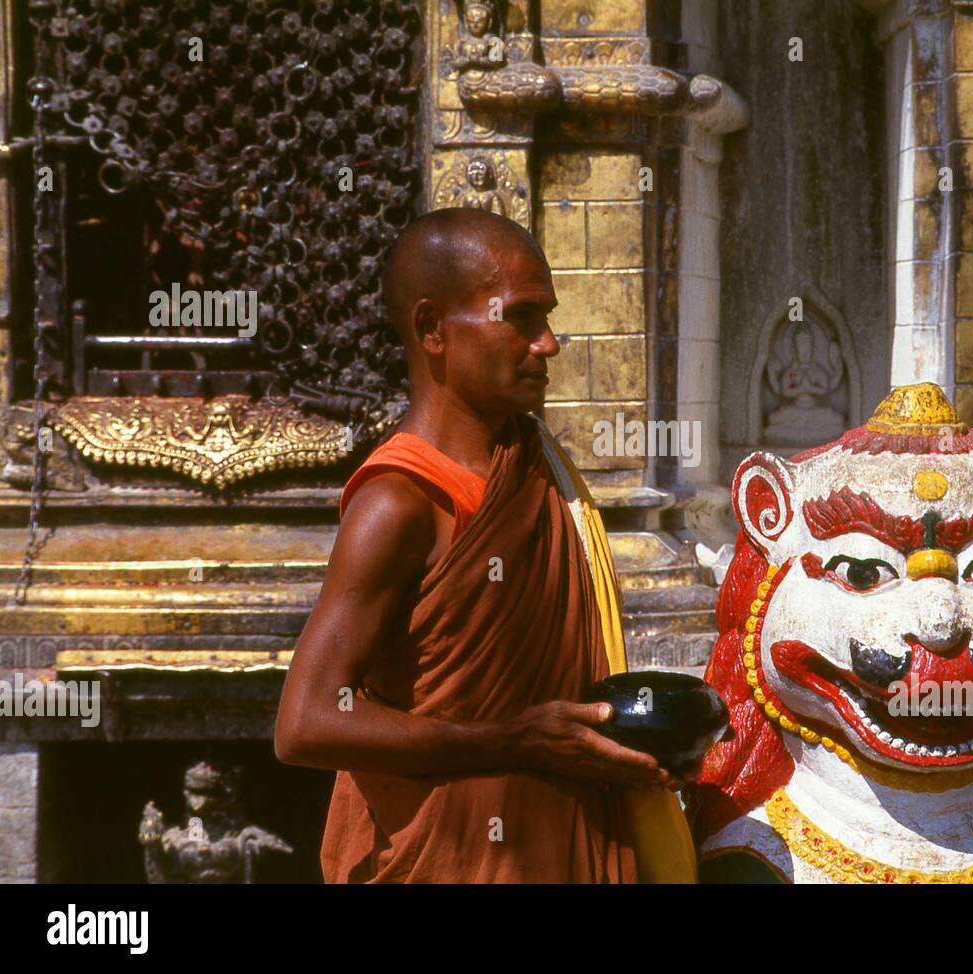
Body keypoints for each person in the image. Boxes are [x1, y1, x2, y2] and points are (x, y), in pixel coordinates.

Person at [275, 207, 694, 883]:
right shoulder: (399, 502)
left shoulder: (539, 468)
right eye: (520, 318)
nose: (548, 344)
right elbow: (306, 722)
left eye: (547, 319)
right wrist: (512, 740)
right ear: (433, 329)